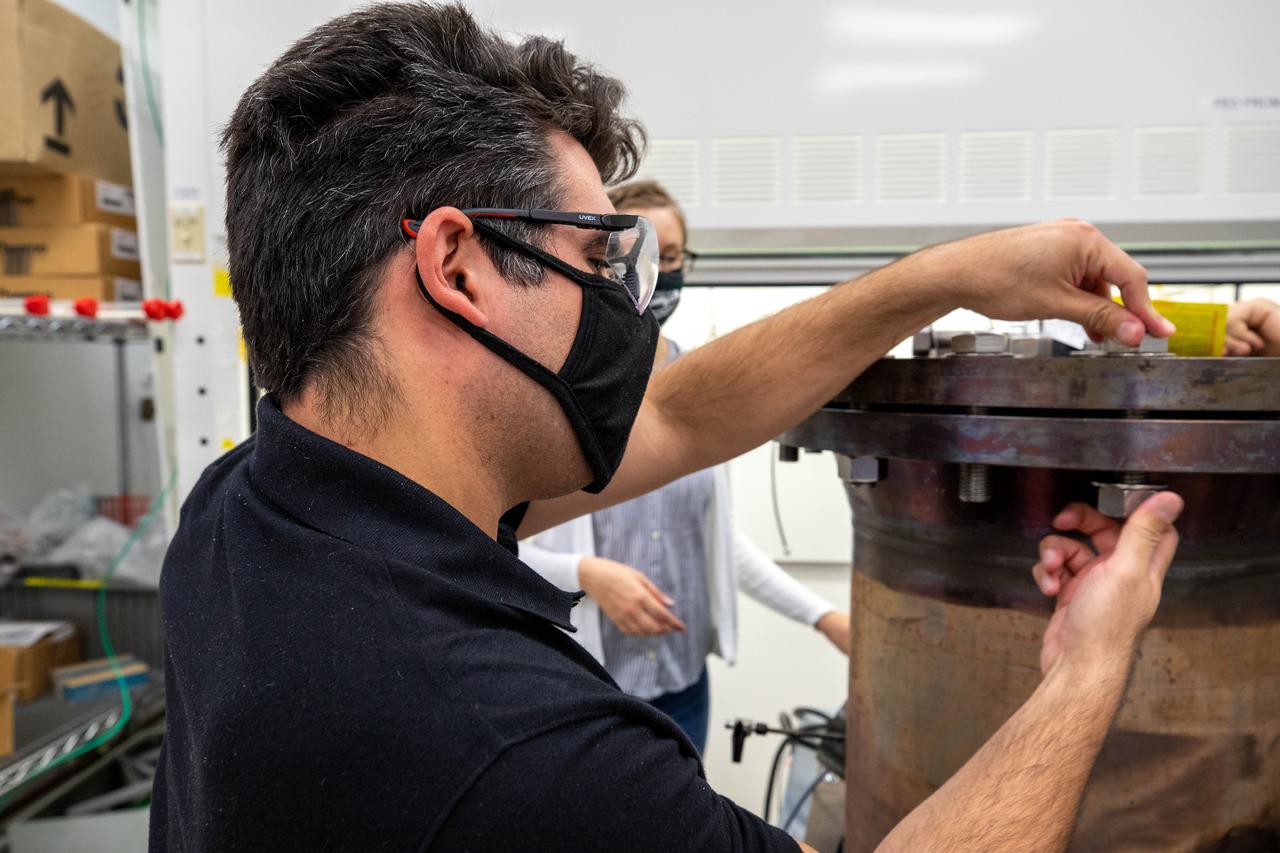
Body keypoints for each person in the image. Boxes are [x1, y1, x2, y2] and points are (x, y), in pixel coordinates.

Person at [151, 4, 1184, 851]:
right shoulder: (517, 752)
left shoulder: (244, 510)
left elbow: (682, 413)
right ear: (457, 265)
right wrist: (1087, 665)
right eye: (600, 264)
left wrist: (948, 275)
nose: (624, 310)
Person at [521, 180, 849, 755]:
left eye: (671, 258)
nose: (659, 273)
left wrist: (823, 617)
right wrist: (586, 572)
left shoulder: (702, 388)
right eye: (639, 255)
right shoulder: (554, 389)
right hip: (589, 687)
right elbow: (486, 533)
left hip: (685, 687)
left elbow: (719, 541)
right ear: (601, 259)